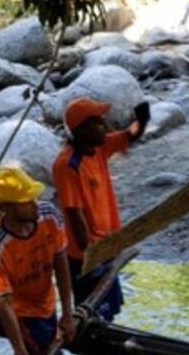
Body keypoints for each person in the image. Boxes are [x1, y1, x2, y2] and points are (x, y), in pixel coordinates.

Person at [0, 166, 76, 355]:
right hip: (22, 313)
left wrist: (67, 313)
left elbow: (61, 261)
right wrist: (20, 353)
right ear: (7, 209)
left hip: (47, 302)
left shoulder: (49, 216)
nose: (35, 205)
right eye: (26, 202)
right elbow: (3, 303)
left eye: (33, 199)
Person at [52, 97, 150, 322]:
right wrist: (91, 256)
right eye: (98, 122)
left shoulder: (100, 148)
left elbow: (130, 135)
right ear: (82, 129)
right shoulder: (67, 165)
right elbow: (74, 213)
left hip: (107, 246)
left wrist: (143, 118)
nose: (105, 127)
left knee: (109, 310)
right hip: (86, 255)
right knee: (92, 315)